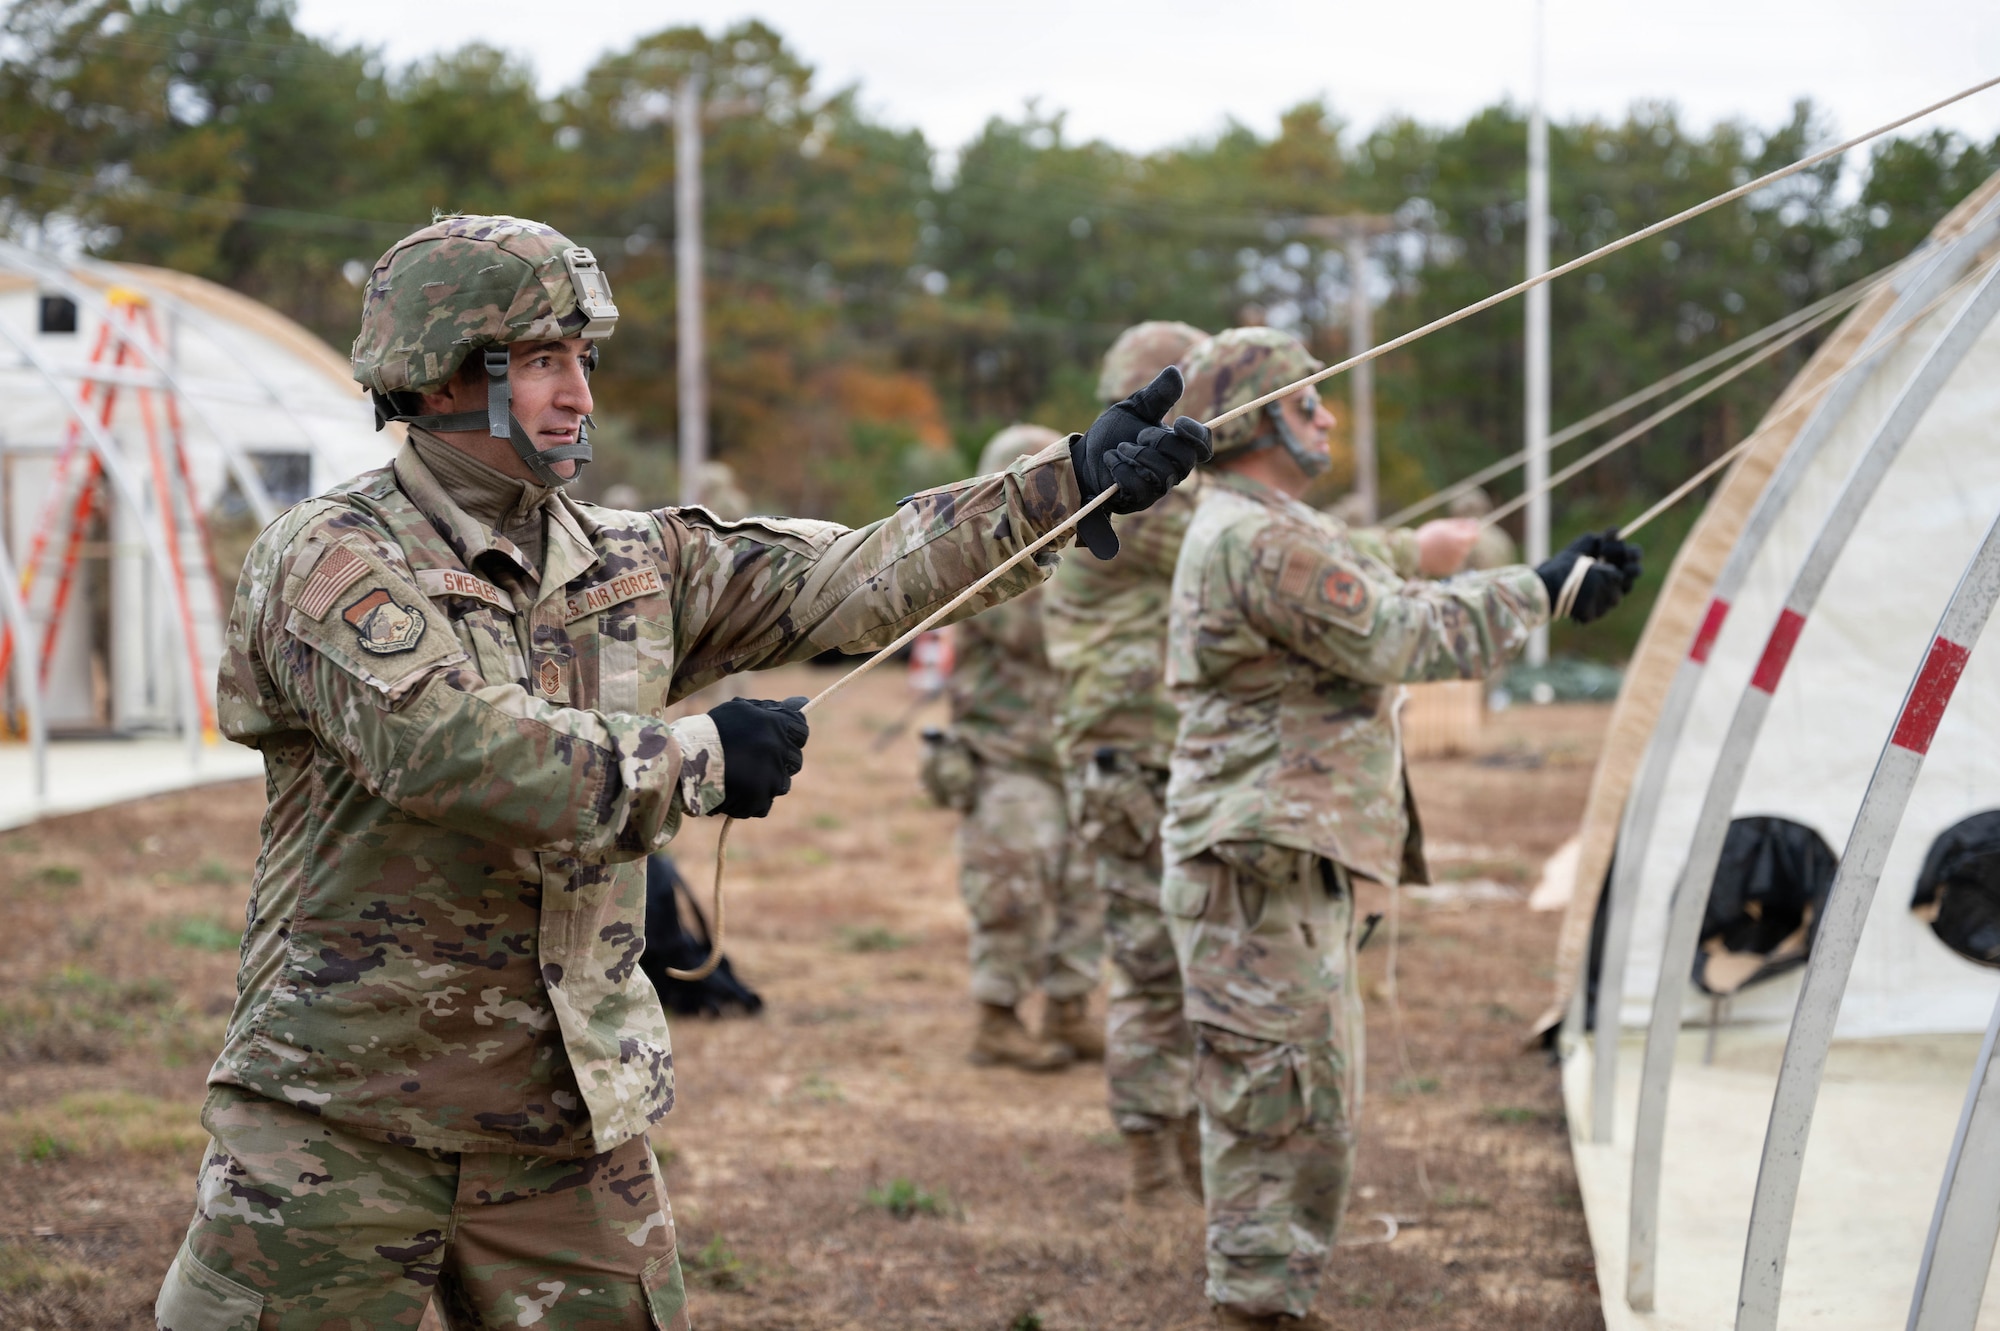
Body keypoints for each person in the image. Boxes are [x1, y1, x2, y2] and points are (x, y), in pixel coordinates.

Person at [154, 214, 1210, 1331]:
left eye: (584, 362)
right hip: (342, 1118)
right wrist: (701, 753)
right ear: (440, 375)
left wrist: (1063, 485)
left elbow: (844, 577)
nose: (579, 396)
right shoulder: (330, 558)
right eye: (545, 361)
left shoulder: (631, 558)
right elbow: (453, 748)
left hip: (563, 1122)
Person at [1160, 327, 1639, 1329]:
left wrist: (1537, 583)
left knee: (1305, 1092)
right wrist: (1541, 590)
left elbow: (1394, 598)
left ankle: (1268, 1298)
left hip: (1280, 853)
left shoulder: (1273, 522)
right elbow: (1396, 633)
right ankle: (1249, 1306)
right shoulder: (1258, 536)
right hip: (1257, 857)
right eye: (1304, 402)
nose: (1325, 414)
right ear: (1254, 419)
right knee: (1272, 1093)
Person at [1042, 321, 1211, 1202]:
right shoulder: (1123, 497)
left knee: (1175, 962)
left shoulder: (1123, 487)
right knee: (1154, 966)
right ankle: (1155, 1157)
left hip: (1142, 754)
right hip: (1130, 759)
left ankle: (1180, 1141)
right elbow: (1219, 552)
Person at [925, 423, 1105, 1071]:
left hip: (1066, 753)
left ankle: (1070, 1007)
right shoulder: (983, 568)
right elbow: (1043, 630)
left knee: (1084, 885)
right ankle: (997, 1018)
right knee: (1013, 891)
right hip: (1004, 757)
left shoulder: (1066, 559)